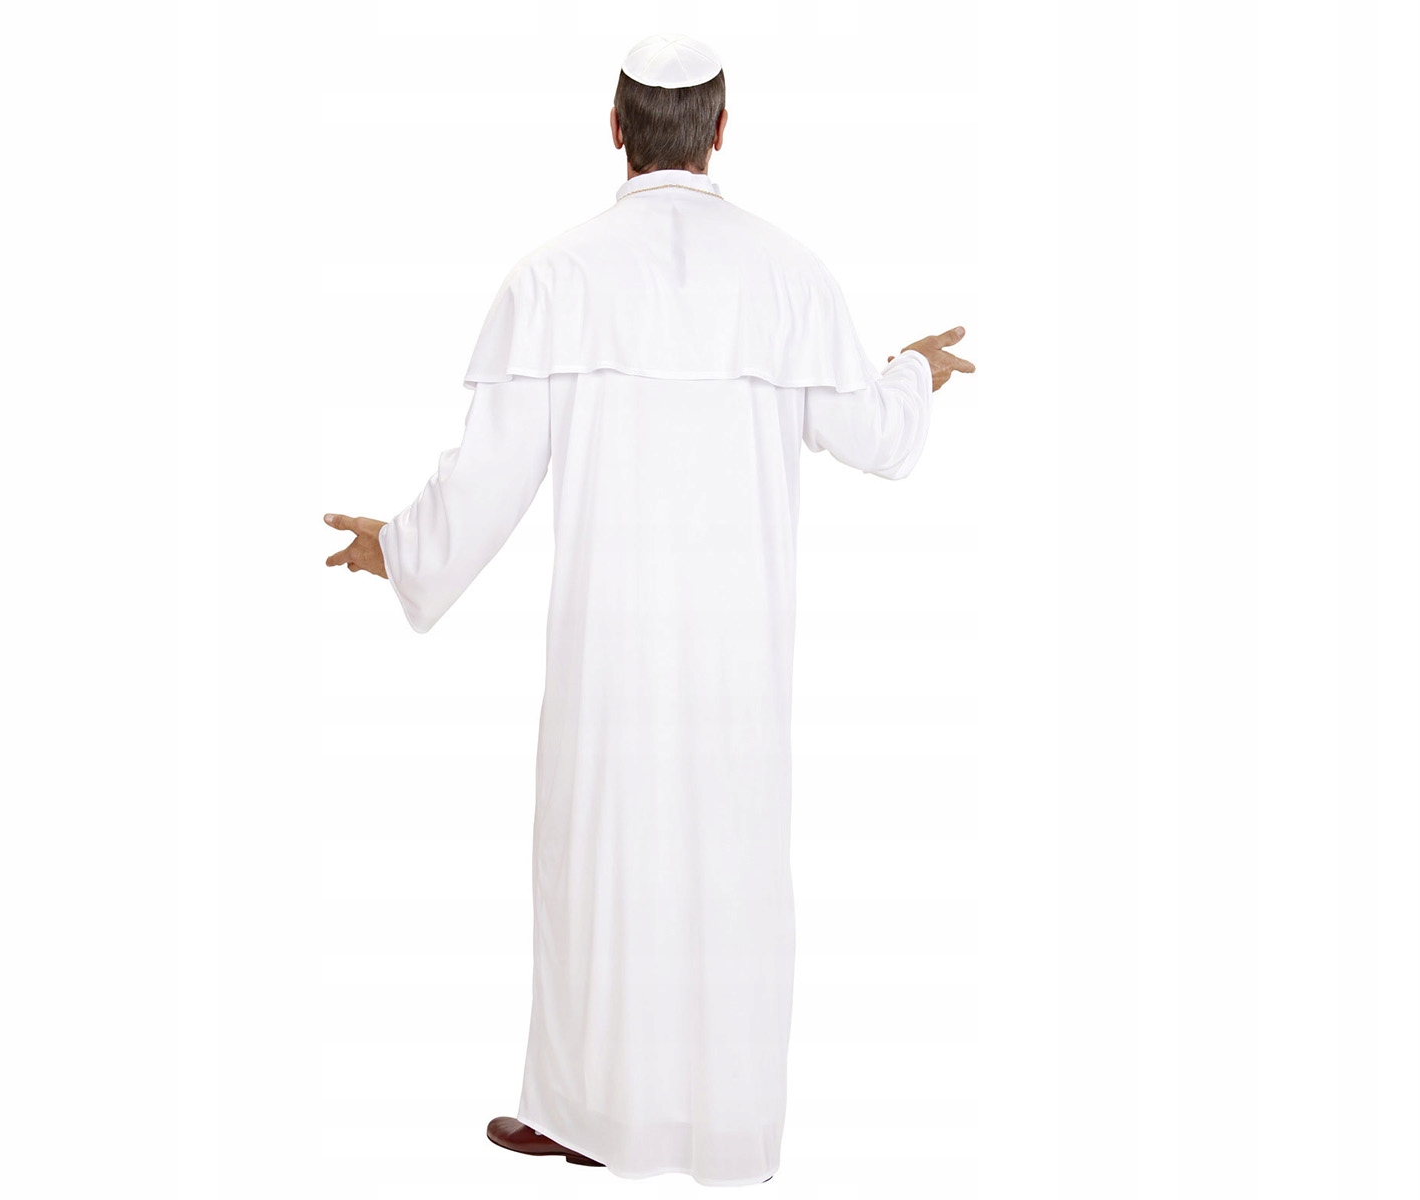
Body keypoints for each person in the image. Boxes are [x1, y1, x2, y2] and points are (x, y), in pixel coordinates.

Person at [323, 32, 974, 1186]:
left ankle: (595, 1117)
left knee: (597, 876)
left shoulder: (554, 278)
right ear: (720, 128)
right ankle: (704, 1131)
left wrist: (400, 550)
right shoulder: (788, 276)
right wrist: (912, 368)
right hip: (737, 659)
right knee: (726, 879)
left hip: (607, 657)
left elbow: (488, 473)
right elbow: (873, 438)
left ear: (616, 126)